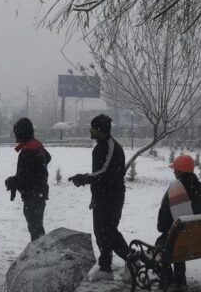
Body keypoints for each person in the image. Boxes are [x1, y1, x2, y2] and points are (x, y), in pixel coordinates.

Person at [69, 114, 131, 281]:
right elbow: (100, 176)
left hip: (113, 196)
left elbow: (105, 173)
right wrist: (94, 196)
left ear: (101, 130)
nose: (91, 131)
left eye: (93, 128)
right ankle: (115, 265)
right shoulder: (99, 147)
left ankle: (115, 264)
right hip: (101, 197)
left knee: (109, 232)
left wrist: (84, 178)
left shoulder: (112, 147)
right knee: (101, 232)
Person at [155, 155, 201, 291]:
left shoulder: (175, 189)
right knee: (179, 243)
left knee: (162, 245)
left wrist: (162, 228)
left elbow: (164, 218)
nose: (173, 172)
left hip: (178, 235)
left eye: (176, 169)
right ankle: (180, 280)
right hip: (195, 236)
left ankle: (167, 279)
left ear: (181, 171)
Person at [4, 117, 51, 241]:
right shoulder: (37, 145)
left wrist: (11, 182)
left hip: (32, 194)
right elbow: (48, 158)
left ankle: (39, 253)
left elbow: (24, 176)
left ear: (22, 132)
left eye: (17, 132)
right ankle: (39, 250)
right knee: (37, 226)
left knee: (35, 227)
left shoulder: (28, 150)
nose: (15, 135)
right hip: (39, 192)